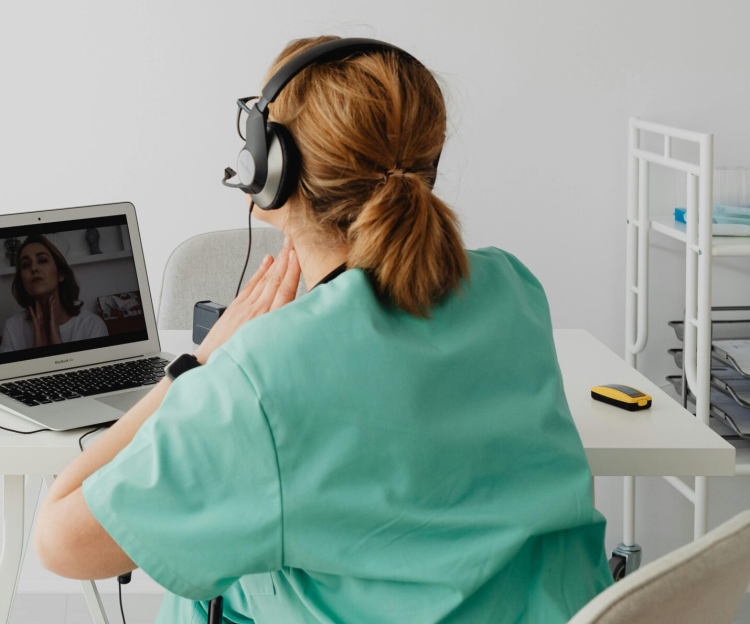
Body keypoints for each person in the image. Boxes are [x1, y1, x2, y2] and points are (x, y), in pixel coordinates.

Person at [33, 36, 612, 623]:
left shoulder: (261, 378)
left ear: (271, 172)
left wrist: (198, 369)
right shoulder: (511, 287)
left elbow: (58, 540)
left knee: (200, 588)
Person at [0, 234, 108, 353]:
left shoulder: (92, 326)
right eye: (26, 265)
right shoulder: (13, 327)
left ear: (60, 273)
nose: (34, 268)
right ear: (22, 282)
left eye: (42, 260)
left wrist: (60, 350)